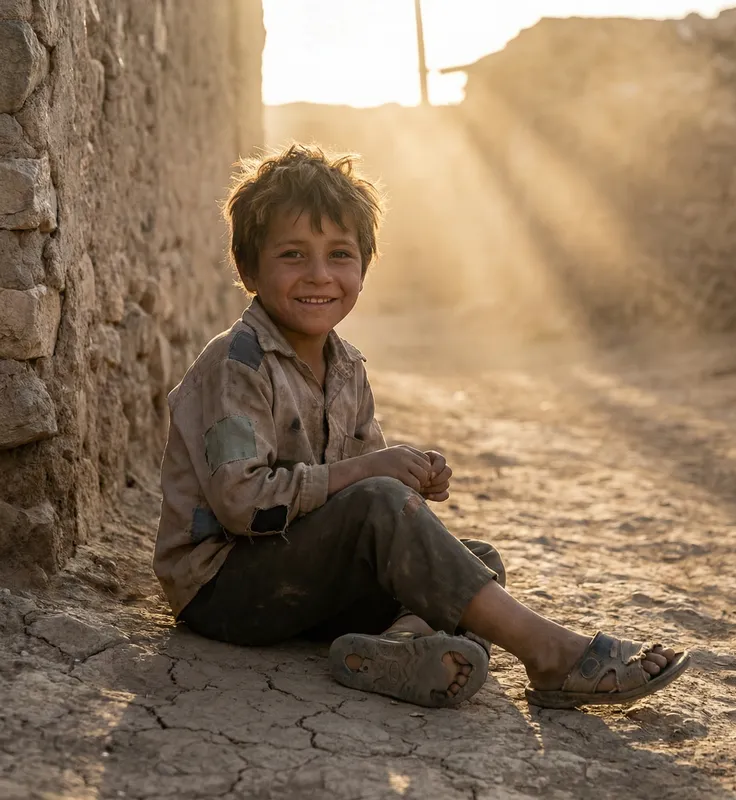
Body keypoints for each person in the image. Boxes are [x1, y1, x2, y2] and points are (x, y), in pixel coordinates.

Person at [152, 144, 690, 709]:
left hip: (295, 578)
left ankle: (396, 650)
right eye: (292, 254)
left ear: (363, 267)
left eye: (340, 255)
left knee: (473, 559)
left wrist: (411, 478)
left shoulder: (348, 367)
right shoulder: (236, 365)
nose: (319, 275)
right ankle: (550, 655)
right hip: (224, 591)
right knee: (398, 518)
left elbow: (366, 502)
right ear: (248, 268)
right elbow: (245, 504)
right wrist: (373, 476)